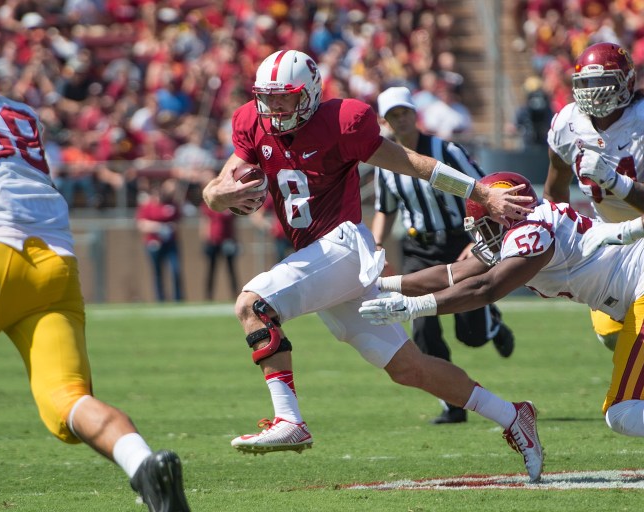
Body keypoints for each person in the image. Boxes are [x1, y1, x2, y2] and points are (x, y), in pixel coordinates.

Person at [0, 22, 190, 512]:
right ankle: (145, 464)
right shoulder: (17, 112)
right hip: (56, 265)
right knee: (66, 402)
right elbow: (0, 174)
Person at [201, 49, 542, 482]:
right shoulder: (251, 121)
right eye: (266, 98)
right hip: (318, 258)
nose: (273, 108)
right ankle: (514, 416)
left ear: (307, 96)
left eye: (283, 98)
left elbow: (417, 165)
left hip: (342, 246)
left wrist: (481, 192)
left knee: (253, 303)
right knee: (409, 368)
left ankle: (289, 420)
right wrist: (222, 196)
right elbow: (217, 188)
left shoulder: (342, 123)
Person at [359, 171, 644, 443]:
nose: (480, 235)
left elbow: (487, 288)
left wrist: (413, 307)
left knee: (623, 413)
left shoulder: (531, 232)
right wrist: (383, 284)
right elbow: (451, 273)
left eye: (484, 223)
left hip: (639, 288)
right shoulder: (527, 226)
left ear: (505, 214)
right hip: (630, 296)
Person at [372, 86, 515, 425]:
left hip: (458, 241)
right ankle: (453, 404)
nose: (401, 119)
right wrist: (376, 245)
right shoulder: (384, 163)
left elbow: (486, 189)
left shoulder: (445, 150)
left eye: (405, 112)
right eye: (393, 115)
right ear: (385, 121)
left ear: (414, 113)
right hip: (419, 248)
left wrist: (477, 238)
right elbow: (385, 208)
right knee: (423, 330)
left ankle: (492, 325)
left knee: (472, 335)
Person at [543, 41, 644, 352]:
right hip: (611, 239)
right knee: (611, 335)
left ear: (627, 83)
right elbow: (555, 186)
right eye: (587, 83)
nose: (594, 91)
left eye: (604, 82)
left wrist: (614, 181)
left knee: (638, 336)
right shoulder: (567, 124)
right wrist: (557, 235)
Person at [136, 178, 185, 302]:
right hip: (154, 244)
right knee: (157, 273)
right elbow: (141, 224)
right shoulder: (147, 206)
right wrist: (159, 227)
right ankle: (160, 299)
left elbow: (178, 221)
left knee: (175, 270)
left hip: (170, 243)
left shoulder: (171, 205)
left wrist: (170, 227)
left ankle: (178, 298)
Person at [200, 201, 240, 300]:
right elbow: (205, 222)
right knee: (211, 270)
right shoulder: (210, 204)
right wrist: (205, 239)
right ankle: (208, 296)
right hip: (213, 241)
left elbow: (234, 224)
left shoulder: (231, 205)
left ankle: (235, 294)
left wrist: (236, 240)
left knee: (231, 270)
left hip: (227, 241)